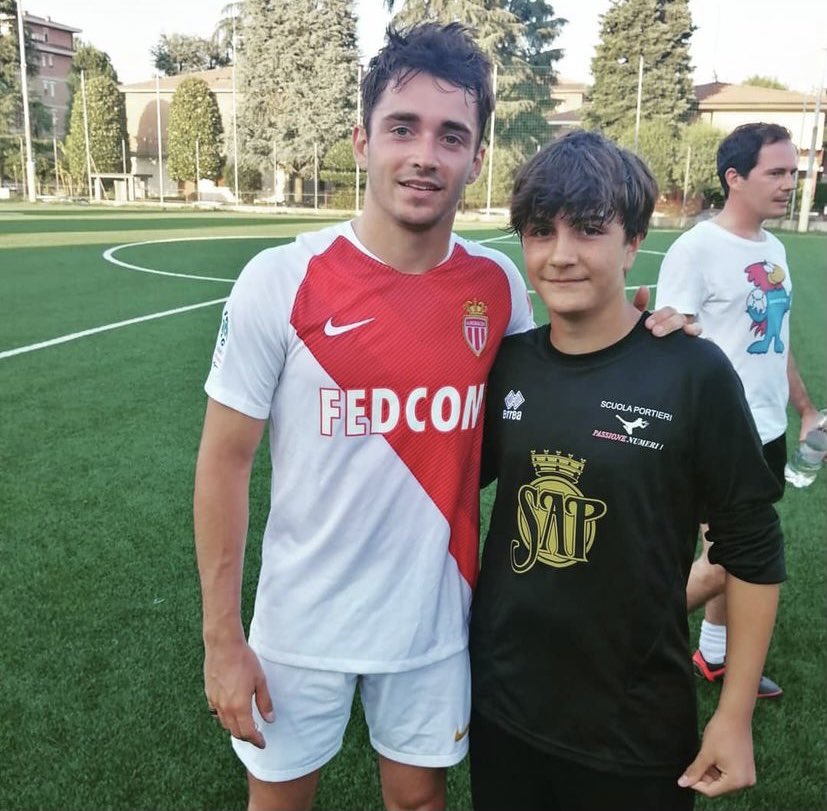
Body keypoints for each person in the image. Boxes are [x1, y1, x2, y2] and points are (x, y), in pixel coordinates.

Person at [194, 24, 689, 811]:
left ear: (477, 159)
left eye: (450, 135)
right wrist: (223, 638)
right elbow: (223, 461)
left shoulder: (497, 285)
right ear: (362, 141)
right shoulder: (279, 281)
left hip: (433, 618)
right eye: (402, 128)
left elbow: (563, 380)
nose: (425, 153)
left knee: (419, 802)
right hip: (297, 622)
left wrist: (647, 331)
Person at [468, 130, 785, 811]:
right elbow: (448, 485)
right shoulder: (509, 366)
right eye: (538, 231)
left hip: (634, 724)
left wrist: (732, 716)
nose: (559, 255)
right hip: (503, 705)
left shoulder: (691, 371)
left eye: (587, 230)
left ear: (633, 240)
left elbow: (751, 546)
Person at [655, 122, 820, 699]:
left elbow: (772, 343)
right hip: (718, 433)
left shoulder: (773, 249)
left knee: (726, 552)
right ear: (734, 178)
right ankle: (625, 636)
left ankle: (713, 656)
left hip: (767, 429)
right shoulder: (697, 248)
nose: (789, 185)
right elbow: (669, 337)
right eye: (776, 173)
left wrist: (804, 409)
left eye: (792, 174)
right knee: (733, 557)